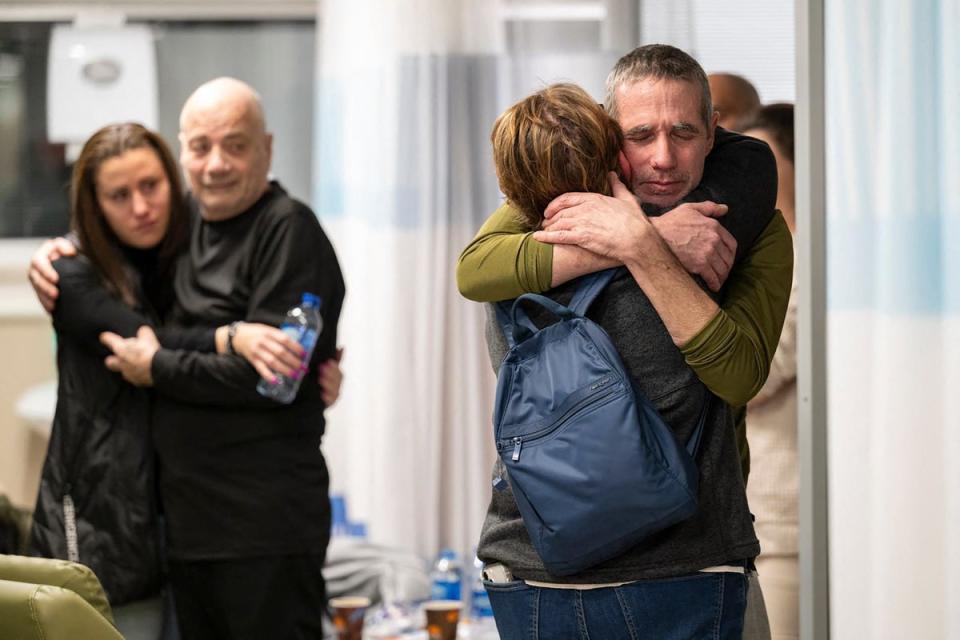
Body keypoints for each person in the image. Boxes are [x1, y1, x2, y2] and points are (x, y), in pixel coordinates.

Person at [463, 46, 792, 638]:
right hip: (537, 568)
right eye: (641, 135)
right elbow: (472, 271)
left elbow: (740, 375)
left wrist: (641, 244)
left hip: (684, 563)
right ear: (607, 135)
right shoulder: (541, 213)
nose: (664, 157)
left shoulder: (749, 226)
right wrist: (645, 237)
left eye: (685, 132)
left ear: (714, 133)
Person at [29, 78, 346, 639]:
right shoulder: (184, 226)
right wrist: (228, 338)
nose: (216, 163)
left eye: (236, 144)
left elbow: (274, 379)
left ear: (267, 148)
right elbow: (139, 317)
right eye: (200, 146)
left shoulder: (288, 230)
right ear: (184, 153)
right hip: (182, 532)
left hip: (263, 530)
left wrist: (159, 366)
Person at [743, 103, 799, 640]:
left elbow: (752, 375)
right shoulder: (752, 252)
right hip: (749, 518)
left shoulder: (811, 259)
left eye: (762, 155)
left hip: (786, 522)